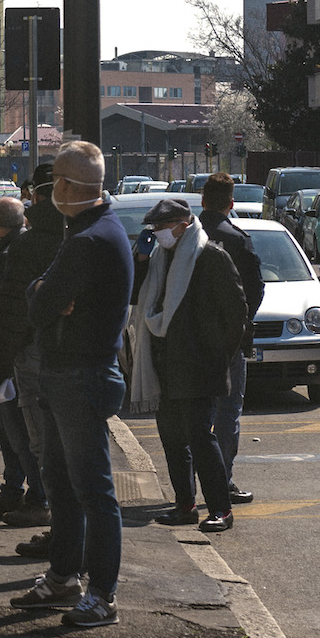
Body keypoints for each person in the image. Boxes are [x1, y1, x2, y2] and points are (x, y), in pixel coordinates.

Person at [9, 141, 132, 629]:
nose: (48, 191)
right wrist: (45, 294)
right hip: (72, 373)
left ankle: (102, 593)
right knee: (61, 481)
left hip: (80, 375)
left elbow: (37, 304)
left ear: (65, 186)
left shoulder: (86, 240)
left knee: (92, 489)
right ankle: (64, 576)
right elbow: (39, 293)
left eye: (53, 182)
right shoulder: (92, 230)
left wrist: (45, 295)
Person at [130, 198, 247, 535]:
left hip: (200, 367)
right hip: (166, 363)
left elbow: (236, 312)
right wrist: (139, 259)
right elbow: (139, 297)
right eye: (155, 229)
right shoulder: (158, 260)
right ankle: (185, 504)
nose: (159, 235)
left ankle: (221, 509)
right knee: (172, 438)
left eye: (163, 228)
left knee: (200, 438)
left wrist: (218, 355)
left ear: (183, 225)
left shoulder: (210, 257)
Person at [0, 195, 52, 527]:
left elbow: (7, 314)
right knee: (10, 431)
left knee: (20, 432)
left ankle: (36, 498)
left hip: (18, 353)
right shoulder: (17, 249)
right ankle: (13, 491)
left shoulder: (14, 254)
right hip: (19, 350)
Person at [199, 174, 265, 505]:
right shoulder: (237, 239)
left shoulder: (187, 237)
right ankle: (221, 481)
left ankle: (188, 488)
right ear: (231, 204)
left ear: (202, 200)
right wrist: (239, 326)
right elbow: (254, 291)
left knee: (194, 415)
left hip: (190, 342)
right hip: (228, 344)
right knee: (227, 413)